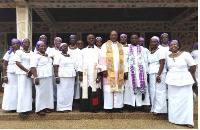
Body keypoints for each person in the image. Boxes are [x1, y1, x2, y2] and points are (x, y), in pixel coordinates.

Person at [165, 40, 196, 128]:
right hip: (172, 81)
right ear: (169, 47)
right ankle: (174, 119)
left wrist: (187, 75)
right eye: (171, 45)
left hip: (184, 80)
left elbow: (193, 66)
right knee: (173, 101)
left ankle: (188, 121)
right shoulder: (168, 56)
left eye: (175, 44)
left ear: (178, 46)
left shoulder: (185, 54)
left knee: (186, 101)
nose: (173, 46)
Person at [99, 31, 128, 113]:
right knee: (108, 89)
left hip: (119, 71)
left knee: (118, 89)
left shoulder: (120, 46)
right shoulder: (105, 45)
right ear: (109, 36)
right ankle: (108, 107)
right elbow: (102, 58)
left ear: (117, 36)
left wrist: (125, 71)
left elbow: (124, 60)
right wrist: (104, 69)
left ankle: (118, 107)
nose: (114, 36)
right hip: (109, 71)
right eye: (112, 35)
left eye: (115, 35)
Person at [124, 34, 150, 112]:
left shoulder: (143, 49)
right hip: (131, 72)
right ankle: (132, 105)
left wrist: (147, 72)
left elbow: (146, 61)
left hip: (141, 72)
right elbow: (125, 61)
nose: (134, 39)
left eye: (136, 38)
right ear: (130, 40)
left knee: (141, 87)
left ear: (138, 39)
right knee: (131, 88)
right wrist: (126, 71)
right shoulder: (127, 49)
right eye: (132, 38)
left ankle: (141, 105)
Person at [79, 34, 102, 113]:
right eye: (89, 39)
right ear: (87, 40)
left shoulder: (99, 50)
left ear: (95, 40)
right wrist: (80, 74)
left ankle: (94, 107)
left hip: (95, 73)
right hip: (85, 73)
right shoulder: (83, 51)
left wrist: (99, 75)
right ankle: (84, 107)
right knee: (85, 89)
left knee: (95, 90)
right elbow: (80, 63)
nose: (91, 40)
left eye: (92, 38)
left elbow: (101, 63)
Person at [30, 41, 54, 115]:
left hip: (48, 76)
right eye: (41, 46)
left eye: (44, 46)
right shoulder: (35, 56)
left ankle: (47, 106)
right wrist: (35, 77)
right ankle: (40, 108)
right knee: (40, 92)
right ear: (37, 47)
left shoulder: (48, 55)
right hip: (40, 76)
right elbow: (33, 67)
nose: (43, 47)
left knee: (48, 92)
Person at [53, 43, 77, 112]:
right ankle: (61, 107)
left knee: (70, 91)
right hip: (62, 75)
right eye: (63, 47)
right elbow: (55, 66)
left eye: (66, 47)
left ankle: (68, 106)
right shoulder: (58, 55)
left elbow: (75, 64)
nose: (65, 48)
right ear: (60, 48)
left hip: (71, 75)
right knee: (62, 91)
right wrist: (56, 76)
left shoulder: (71, 55)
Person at [148, 36, 167, 115]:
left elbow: (162, 63)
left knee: (160, 91)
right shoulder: (150, 52)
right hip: (152, 73)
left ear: (158, 43)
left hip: (159, 73)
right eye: (151, 41)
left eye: (155, 41)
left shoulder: (161, 51)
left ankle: (160, 109)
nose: (153, 43)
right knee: (153, 91)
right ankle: (154, 107)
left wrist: (158, 75)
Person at [14, 38, 33, 117]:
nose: (27, 43)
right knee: (22, 91)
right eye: (25, 42)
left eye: (28, 42)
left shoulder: (31, 52)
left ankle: (27, 108)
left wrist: (30, 71)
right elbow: (18, 63)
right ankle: (21, 110)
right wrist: (27, 71)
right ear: (22, 44)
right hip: (22, 73)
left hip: (29, 73)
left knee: (28, 91)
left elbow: (33, 63)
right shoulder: (18, 52)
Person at [2, 38, 21, 112]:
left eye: (17, 43)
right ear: (12, 45)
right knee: (10, 91)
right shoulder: (8, 53)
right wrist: (5, 76)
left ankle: (18, 106)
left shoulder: (22, 52)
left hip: (19, 74)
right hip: (10, 74)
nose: (15, 45)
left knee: (18, 90)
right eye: (14, 44)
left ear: (20, 44)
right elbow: (4, 65)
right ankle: (10, 107)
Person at [68, 35, 81, 100]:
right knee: (70, 85)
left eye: (74, 38)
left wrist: (77, 69)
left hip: (77, 69)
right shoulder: (67, 49)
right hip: (69, 70)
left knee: (77, 84)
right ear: (70, 40)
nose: (73, 40)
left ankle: (76, 98)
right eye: (71, 38)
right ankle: (70, 98)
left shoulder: (78, 50)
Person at [51, 37, 62, 103]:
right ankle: (55, 100)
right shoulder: (51, 50)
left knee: (61, 86)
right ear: (54, 42)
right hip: (53, 70)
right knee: (54, 85)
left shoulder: (63, 49)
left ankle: (60, 100)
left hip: (62, 70)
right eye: (57, 42)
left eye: (59, 42)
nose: (58, 43)